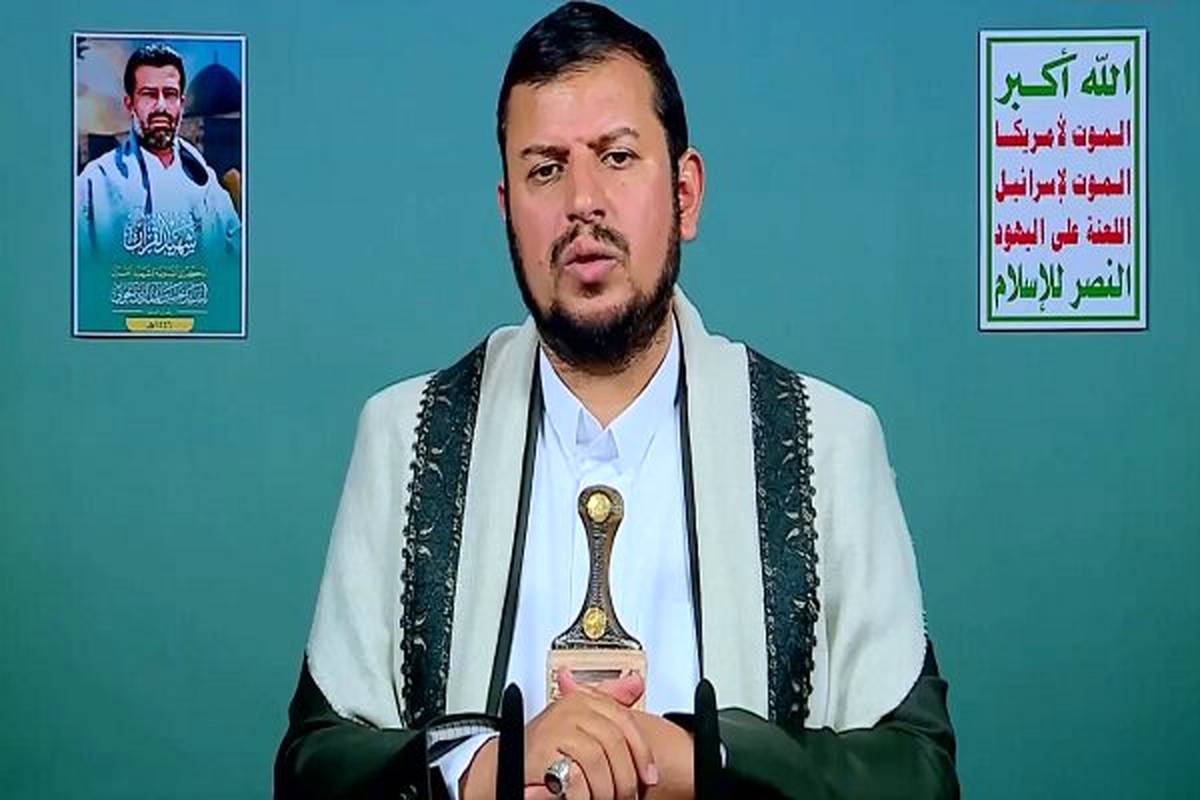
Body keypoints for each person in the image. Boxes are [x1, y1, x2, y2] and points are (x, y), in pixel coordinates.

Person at [274, 4, 958, 798]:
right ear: (507, 209)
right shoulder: (407, 439)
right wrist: (483, 767)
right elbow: (313, 769)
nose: (583, 202)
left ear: (686, 194)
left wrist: (697, 760)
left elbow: (918, 776)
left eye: (618, 157)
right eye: (545, 169)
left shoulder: (825, 444)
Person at [76, 42, 240, 264]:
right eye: (149, 95)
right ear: (130, 104)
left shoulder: (208, 188)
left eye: (170, 94)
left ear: (182, 104)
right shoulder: (95, 186)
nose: (161, 106)